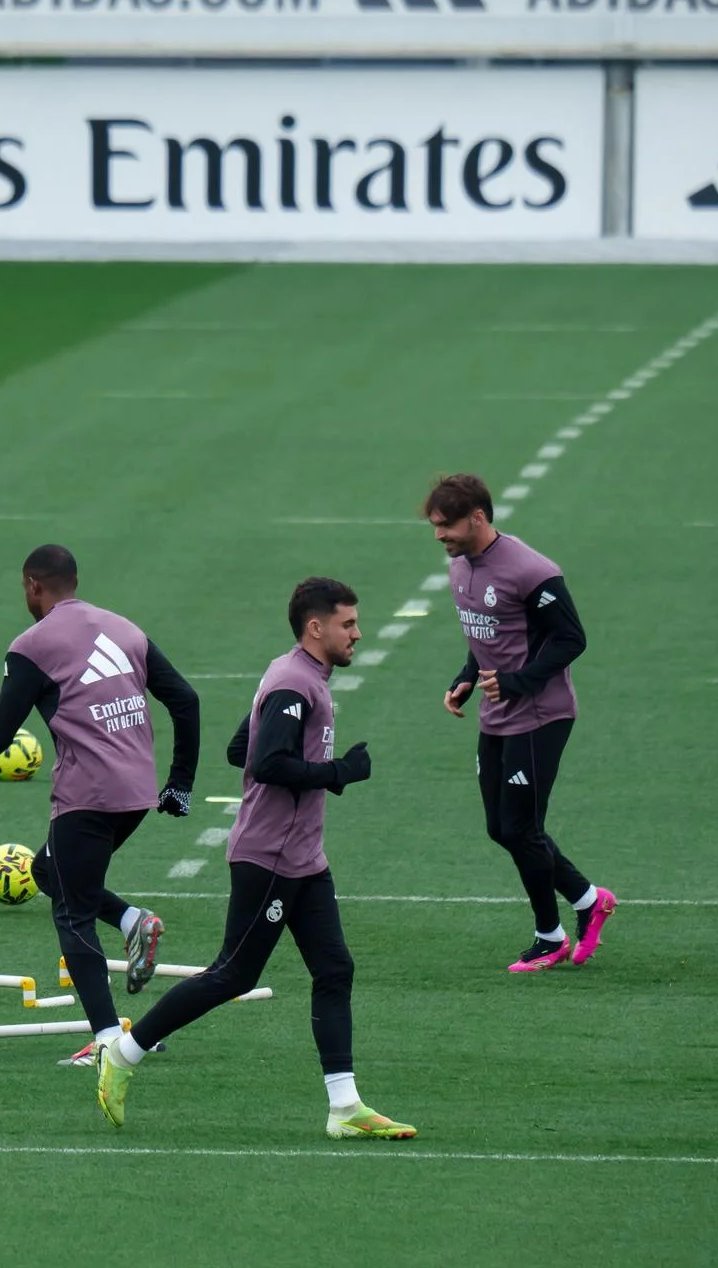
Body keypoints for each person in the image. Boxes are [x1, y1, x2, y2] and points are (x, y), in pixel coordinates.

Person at [96, 577, 415, 1141]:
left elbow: (239, 749)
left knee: (335, 969)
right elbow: (266, 763)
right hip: (269, 859)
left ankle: (345, 1108)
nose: (357, 634)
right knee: (234, 973)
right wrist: (340, 771)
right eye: (348, 624)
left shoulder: (295, 674)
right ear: (315, 628)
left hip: (303, 858)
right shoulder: (296, 683)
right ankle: (123, 1054)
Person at [0, 544, 199, 1038]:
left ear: (33, 587)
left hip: (87, 799)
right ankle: (132, 922)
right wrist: (181, 785)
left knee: (72, 915)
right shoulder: (125, 629)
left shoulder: (32, 646)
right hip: (137, 794)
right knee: (47, 870)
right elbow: (186, 700)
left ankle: (108, 1040)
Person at [423, 473, 617, 972]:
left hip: (540, 714)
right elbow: (485, 634)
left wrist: (517, 681)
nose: (439, 536)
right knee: (500, 827)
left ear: (478, 517)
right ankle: (589, 899)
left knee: (522, 827)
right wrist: (467, 677)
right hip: (497, 711)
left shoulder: (531, 571)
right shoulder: (459, 567)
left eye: (446, 526)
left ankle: (549, 936)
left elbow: (571, 639)